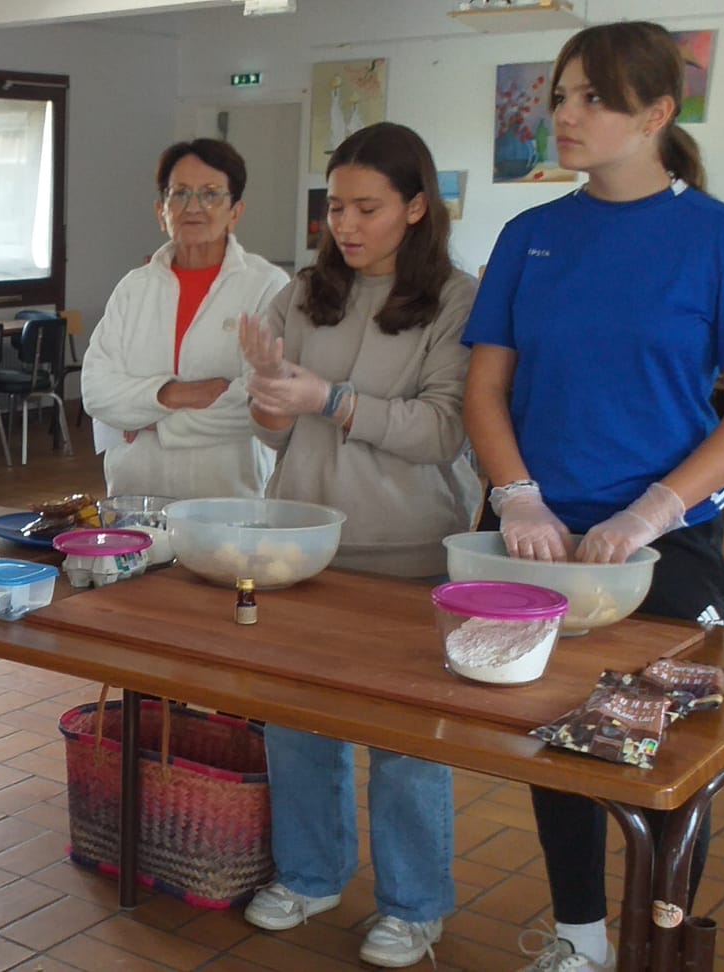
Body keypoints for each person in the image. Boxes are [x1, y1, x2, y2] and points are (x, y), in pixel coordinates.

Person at [461, 22, 724, 971]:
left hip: (663, 544)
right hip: (533, 537)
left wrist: (651, 513)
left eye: (590, 99)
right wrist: (517, 497)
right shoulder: (531, 236)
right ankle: (581, 939)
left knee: (666, 749)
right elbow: (485, 390)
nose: (563, 115)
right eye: (560, 95)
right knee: (553, 737)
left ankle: (659, 938)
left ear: (655, 115)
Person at [234, 122, 477, 968]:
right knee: (296, 724)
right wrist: (269, 395)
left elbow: (444, 430)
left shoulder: (455, 298)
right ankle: (311, 874)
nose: (346, 223)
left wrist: (327, 396)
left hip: (408, 552)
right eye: (335, 205)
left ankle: (414, 906)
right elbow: (272, 431)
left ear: (416, 207)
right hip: (301, 545)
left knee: (406, 745)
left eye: (367, 207)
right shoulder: (304, 293)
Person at [81, 138, 289, 500]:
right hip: (134, 499)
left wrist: (149, 421)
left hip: (229, 502)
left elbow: (255, 404)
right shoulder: (133, 288)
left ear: (235, 211)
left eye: (210, 194)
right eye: (180, 194)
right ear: (161, 210)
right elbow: (96, 390)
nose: (194, 207)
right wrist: (171, 394)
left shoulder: (267, 285)